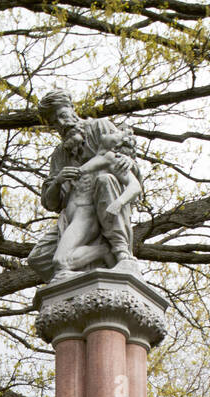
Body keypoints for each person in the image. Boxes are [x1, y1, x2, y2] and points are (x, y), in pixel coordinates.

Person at [28, 90, 142, 282]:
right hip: (73, 213)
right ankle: (97, 256)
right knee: (38, 258)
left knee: (105, 180)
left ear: (73, 109)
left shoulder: (99, 127)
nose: (62, 124)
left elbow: (129, 170)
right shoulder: (60, 154)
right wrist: (58, 181)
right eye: (56, 122)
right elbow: (51, 202)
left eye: (63, 115)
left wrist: (128, 163)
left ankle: (120, 252)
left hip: (101, 206)